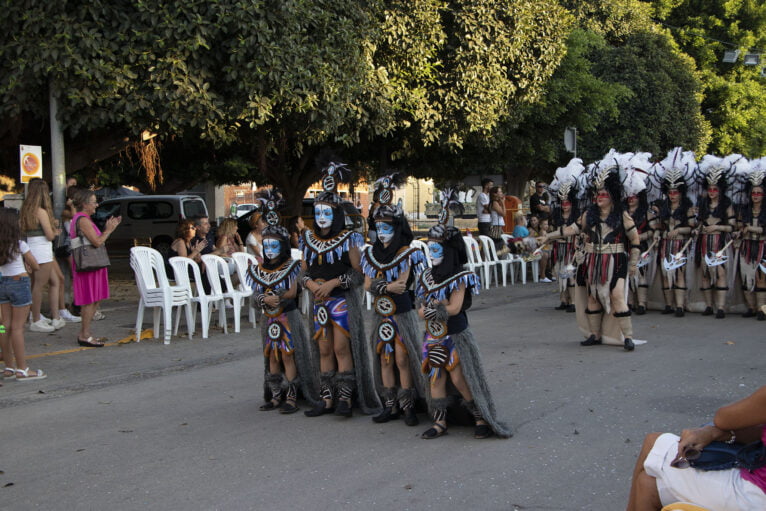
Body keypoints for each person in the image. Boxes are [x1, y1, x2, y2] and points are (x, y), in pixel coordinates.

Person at [416, 188, 511, 439]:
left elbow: (455, 308)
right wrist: (425, 310)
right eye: (430, 249)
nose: (431, 254)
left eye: (436, 249)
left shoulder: (460, 277)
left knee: (459, 378)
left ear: (448, 251)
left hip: (455, 335)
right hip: (432, 336)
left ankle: (479, 417)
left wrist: (432, 309)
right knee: (435, 376)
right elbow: (419, 308)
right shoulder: (425, 276)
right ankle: (440, 423)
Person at [301, 161, 380, 417]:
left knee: (340, 348)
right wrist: (311, 284)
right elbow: (302, 271)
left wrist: (335, 283)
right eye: (318, 212)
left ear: (336, 215)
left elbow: (358, 273)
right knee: (323, 349)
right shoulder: (308, 240)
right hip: (318, 301)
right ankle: (327, 399)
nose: (321, 218)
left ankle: (345, 398)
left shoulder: (349, 238)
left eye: (327, 213)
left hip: (341, 301)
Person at [540, 150, 641, 351]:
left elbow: (635, 239)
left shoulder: (622, 215)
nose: (599, 197)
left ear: (612, 197)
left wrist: (633, 263)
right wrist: (549, 236)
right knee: (593, 296)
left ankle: (627, 337)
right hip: (593, 260)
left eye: (603, 194)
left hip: (616, 260)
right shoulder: (588, 214)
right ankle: (594, 335)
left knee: (617, 297)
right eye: (597, 194)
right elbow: (571, 229)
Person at [626, 385, 766, 511]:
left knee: (654, 442)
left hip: (754, 496)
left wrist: (715, 430)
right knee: (647, 484)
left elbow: (723, 419)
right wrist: (720, 434)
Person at [246, 189, 320, 414]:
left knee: (288, 355)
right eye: (266, 246)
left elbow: (292, 292)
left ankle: (292, 396)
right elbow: (253, 296)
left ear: (283, 245)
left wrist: (274, 297)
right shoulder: (258, 268)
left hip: (287, 316)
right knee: (272, 357)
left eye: (273, 246)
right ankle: (275, 395)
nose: (269, 250)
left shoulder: (291, 266)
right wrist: (261, 298)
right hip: (269, 319)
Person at [361, 173, 426, 426]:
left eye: (387, 228)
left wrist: (380, 285)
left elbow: (402, 285)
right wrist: (385, 286)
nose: (382, 233)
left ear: (397, 228)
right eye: (379, 228)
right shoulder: (371, 253)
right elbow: (367, 285)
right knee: (385, 357)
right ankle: (390, 405)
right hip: (381, 314)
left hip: (401, 311)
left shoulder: (406, 252)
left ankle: (408, 405)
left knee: (402, 357)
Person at [70, 189, 122, 347]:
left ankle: (86, 333)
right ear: (85, 204)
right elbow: (97, 242)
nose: (96, 205)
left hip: (93, 264)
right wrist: (109, 230)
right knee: (89, 299)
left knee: (95, 299)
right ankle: (84, 334)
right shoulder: (83, 220)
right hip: (88, 265)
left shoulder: (84, 219)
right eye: (93, 202)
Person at [0, 208, 46, 381]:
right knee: (18, 328)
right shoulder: (20, 244)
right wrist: (28, 267)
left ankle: (8, 367)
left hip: (2, 284)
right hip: (19, 283)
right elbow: (35, 265)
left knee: (4, 326)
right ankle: (23, 368)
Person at [653, 148, 698, 317]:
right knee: (665, 273)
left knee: (679, 273)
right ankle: (668, 304)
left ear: (681, 192)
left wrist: (679, 229)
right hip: (665, 244)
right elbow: (660, 226)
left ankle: (680, 306)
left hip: (680, 244)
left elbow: (692, 228)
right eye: (670, 192)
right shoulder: (663, 207)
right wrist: (658, 233)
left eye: (675, 192)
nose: (672, 195)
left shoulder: (687, 207)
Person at [19, 179, 66, 332]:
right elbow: (50, 235)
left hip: (32, 248)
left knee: (47, 282)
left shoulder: (26, 209)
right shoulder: (41, 211)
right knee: (39, 286)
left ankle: (51, 317)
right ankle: (36, 319)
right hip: (43, 250)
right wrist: (55, 230)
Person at [695, 155, 737, 318]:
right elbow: (699, 222)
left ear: (720, 190)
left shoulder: (726, 204)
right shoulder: (703, 204)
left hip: (720, 243)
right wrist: (698, 229)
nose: (712, 192)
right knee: (705, 273)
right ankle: (708, 306)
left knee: (720, 272)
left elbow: (732, 227)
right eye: (710, 189)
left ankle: (720, 307)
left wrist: (717, 227)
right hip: (704, 242)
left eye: (715, 189)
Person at [622, 154, 655, 315]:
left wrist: (641, 237)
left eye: (634, 196)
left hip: (642, 247)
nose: (631, 199)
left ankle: (641, 303)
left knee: (640, 273)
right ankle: (629, 303)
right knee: (627, 275)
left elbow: (653, 231)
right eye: (629, 196)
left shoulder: (647, 213)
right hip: (625, 247)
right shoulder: (622, 213)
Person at [735, 157, 766, 320]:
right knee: (747, 278)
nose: (755, 195)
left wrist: (752, 229)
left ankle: (762, 310)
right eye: (753, 193)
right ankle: (751, 308)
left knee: (761, 280)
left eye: (759, 193)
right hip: (746, 246)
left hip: (763, 247)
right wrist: (738, 232)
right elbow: (739, 226)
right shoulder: (744, 209)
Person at [488, 186, 509, 256]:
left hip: (497, 226)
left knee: (499, 245)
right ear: (495, 194)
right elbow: (503, 214)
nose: (501, 193)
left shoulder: (495, 202)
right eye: (500, 192)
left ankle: (496, 261)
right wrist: (503, 203)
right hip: (496, 227)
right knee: (498, 245)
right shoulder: (495, 203)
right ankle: (496, 262)